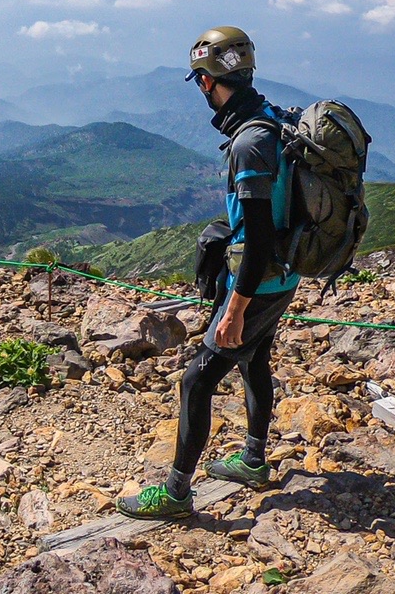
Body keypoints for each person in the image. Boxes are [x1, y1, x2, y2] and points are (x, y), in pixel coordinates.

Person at [116, 26, 297, 520]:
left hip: (257, 281)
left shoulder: (248, 144)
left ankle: (175, 493)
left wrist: (235, 308)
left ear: (207, 80)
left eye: (199, 79)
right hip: (283, 276)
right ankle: (254, 461)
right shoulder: (274, 120)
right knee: (253, 360)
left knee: (197, 381)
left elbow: (258, 237)